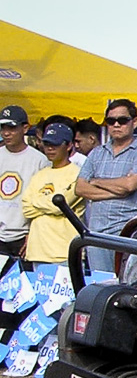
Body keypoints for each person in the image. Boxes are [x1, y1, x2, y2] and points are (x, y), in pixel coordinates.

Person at [75, 98, 137, 273]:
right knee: (101, 283)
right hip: (96, 232)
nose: (116, 125)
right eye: (111, 121)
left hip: (125, 231)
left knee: (126, 284)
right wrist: (117, 191)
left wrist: (97, 181)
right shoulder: (96, 153)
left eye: (122, 120)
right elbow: (80, 188)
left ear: (134, 122)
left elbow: (129, 185)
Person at [21, 122, 84, 264]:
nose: (49, 148)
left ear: (68, 146)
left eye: (55, 144)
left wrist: (37, 202)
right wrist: (50, 204)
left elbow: (60, 206)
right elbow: (26, 208)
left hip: (65, 252)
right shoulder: (40, 174)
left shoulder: (78, 174)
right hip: (37, 252)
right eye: (47, 144)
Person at [0, 104, 47, 258]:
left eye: (11, 128)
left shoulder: (40, 160)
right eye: (3, 128)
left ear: (25, 128)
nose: (6, 133)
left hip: (24, 236)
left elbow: (43, 201)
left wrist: (34, 233)